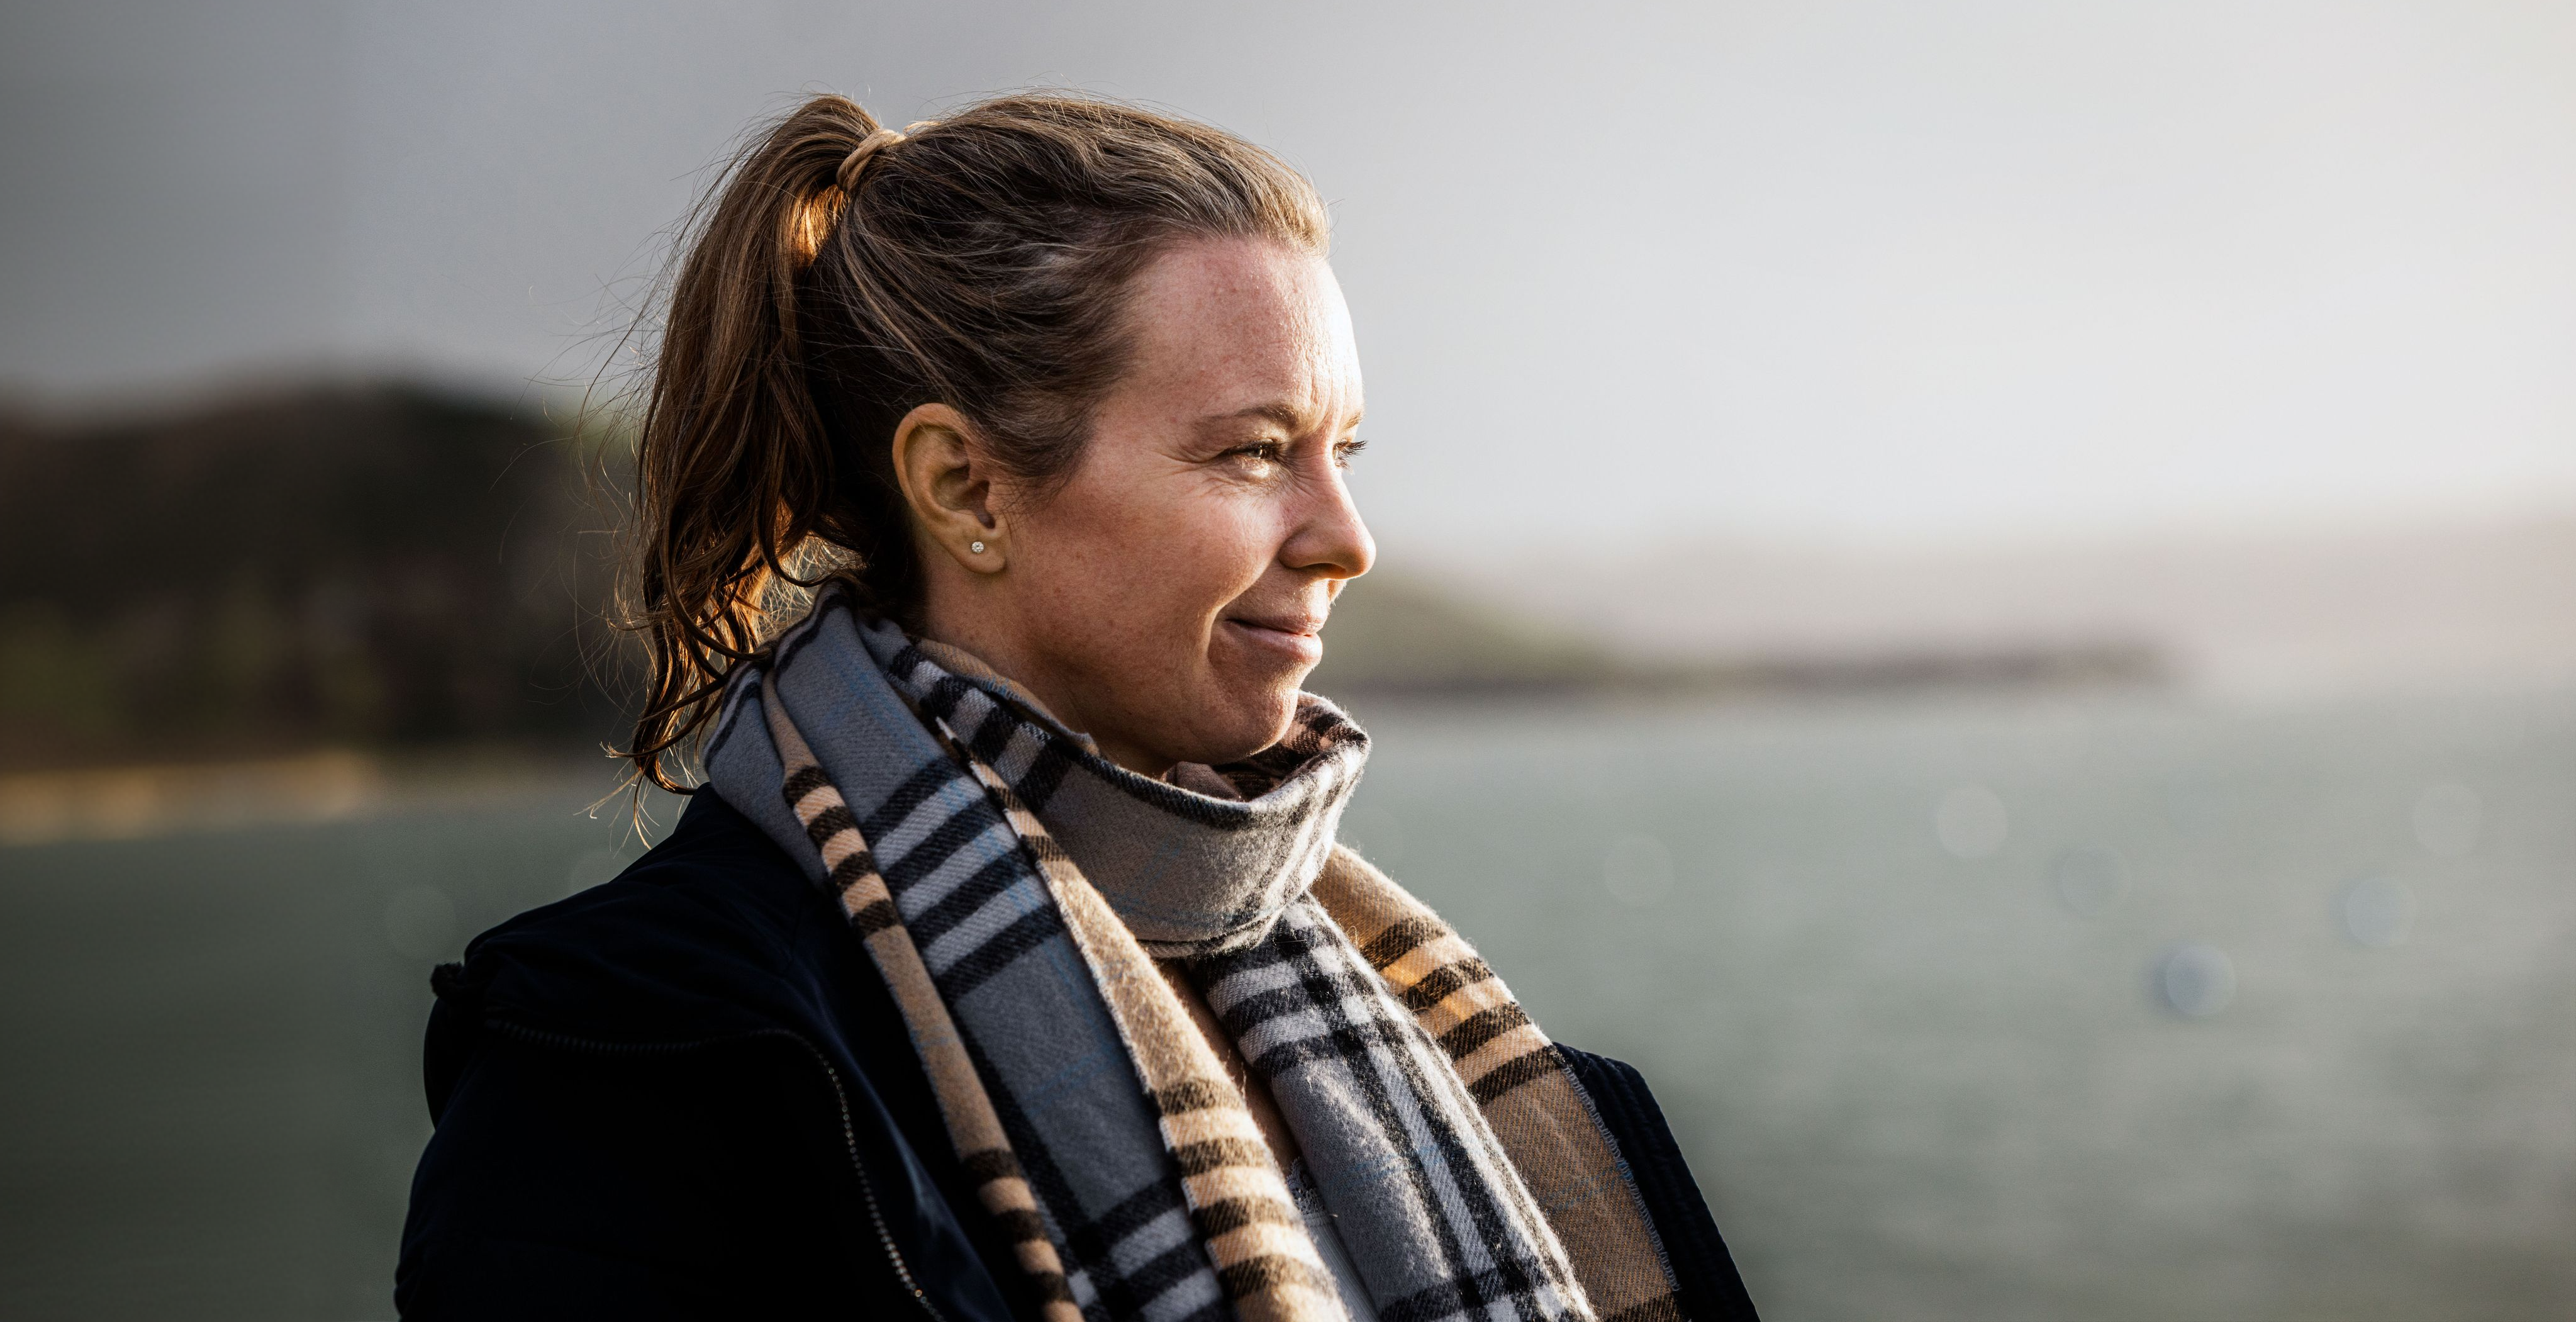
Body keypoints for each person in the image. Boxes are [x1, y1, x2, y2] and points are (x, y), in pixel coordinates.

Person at [394, 92, 1760, 1322]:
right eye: (1254, 452)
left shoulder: (1448, 1049)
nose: (1346, 538)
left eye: (1341, 451)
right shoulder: (633, 1070)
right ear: (966, 489)